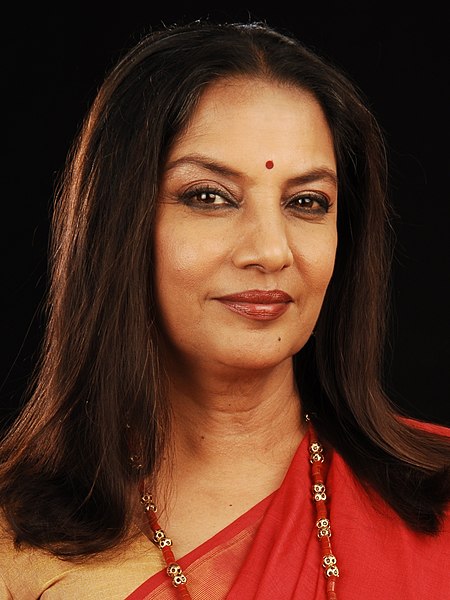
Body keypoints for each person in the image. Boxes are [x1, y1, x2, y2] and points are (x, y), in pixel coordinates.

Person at [0, 19, 449, 600]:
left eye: (307, 202)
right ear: (120, 225)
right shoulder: (15, 542)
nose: (270, 250)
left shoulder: (435, 505)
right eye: (209, 197)